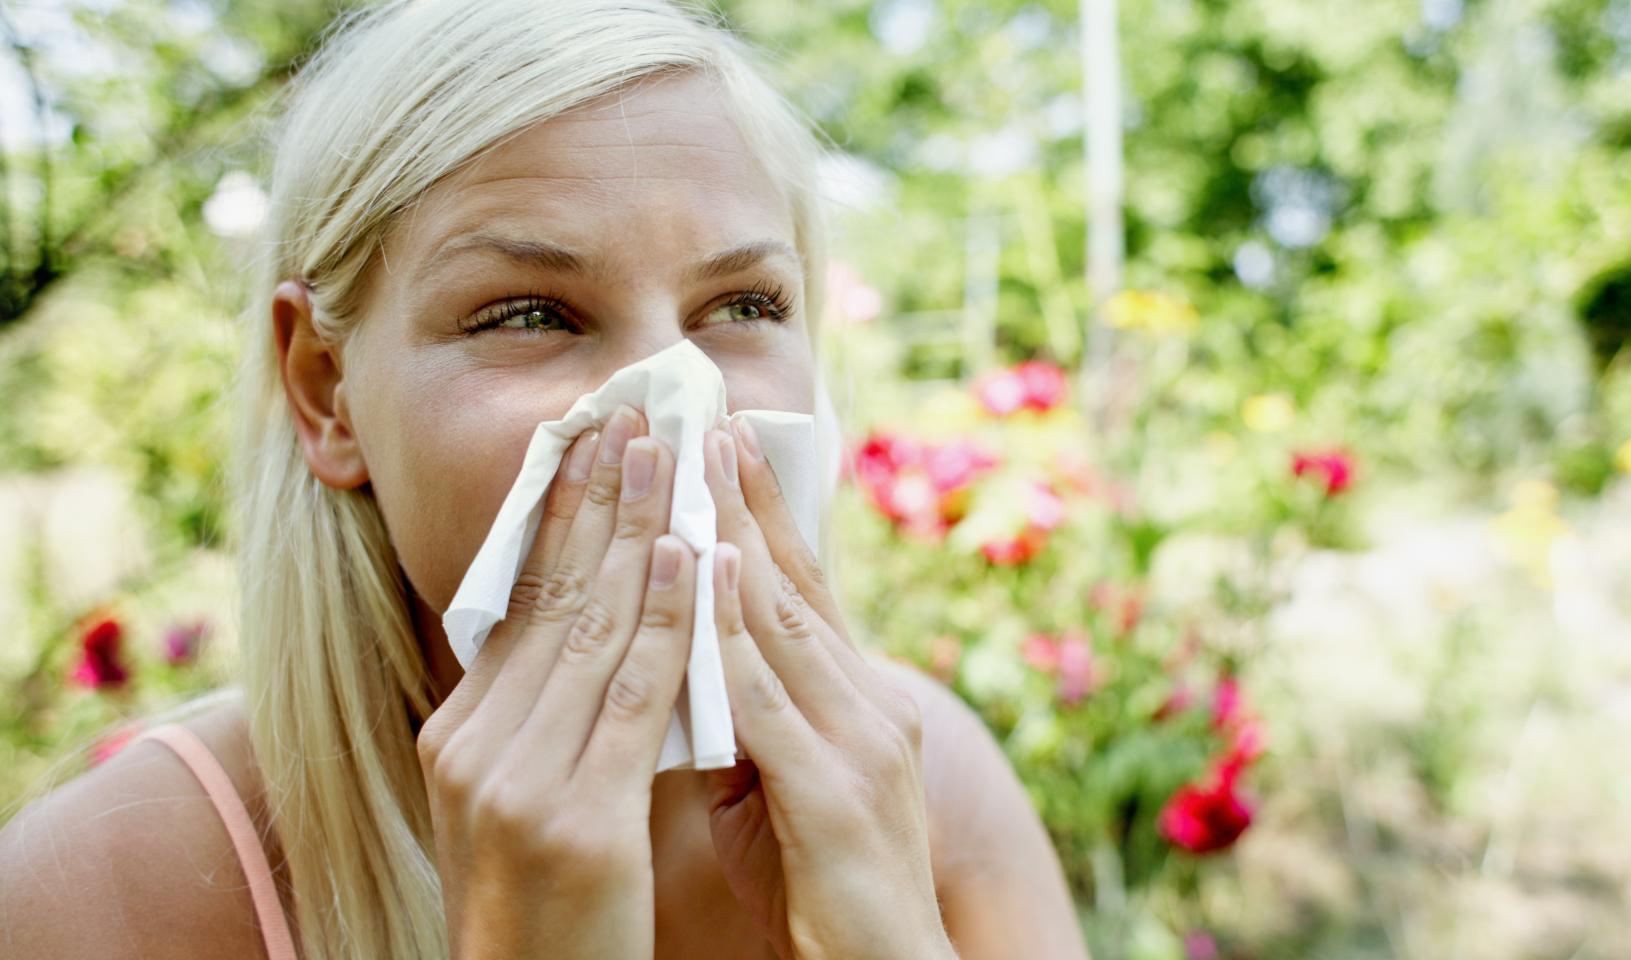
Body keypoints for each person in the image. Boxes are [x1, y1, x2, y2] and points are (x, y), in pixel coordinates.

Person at [0, 1, 1088, 957]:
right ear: (328, 390)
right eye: (527, 314)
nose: (671, 401)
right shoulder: (109, 886)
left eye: (743, 306)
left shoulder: (931, 782)